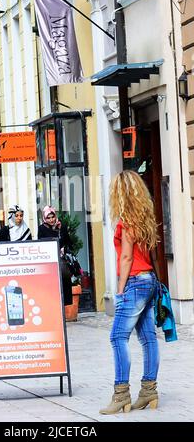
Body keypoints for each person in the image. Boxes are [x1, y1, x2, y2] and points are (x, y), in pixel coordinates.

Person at [100, 170, 159, 415]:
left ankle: (121, 394)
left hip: (134, 282)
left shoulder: (126, 221)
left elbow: (126, 257)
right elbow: (152, 255)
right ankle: (149, 392)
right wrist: (157, 281)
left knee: (117, 337)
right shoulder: (145, 218)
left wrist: (120, 290)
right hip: (150, 281)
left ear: (120, 194)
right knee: (148, 339)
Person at [37, 206, 73, 306]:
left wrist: (60, 231)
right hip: (49, 260)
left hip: (61, 259)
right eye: (48, 218)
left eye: (52, 217)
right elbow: (41, 243)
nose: (51, 220)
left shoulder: (61, 226)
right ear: (45, 218)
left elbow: (68, 241)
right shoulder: (42, 229)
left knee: (64, 281)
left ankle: (65, 306)